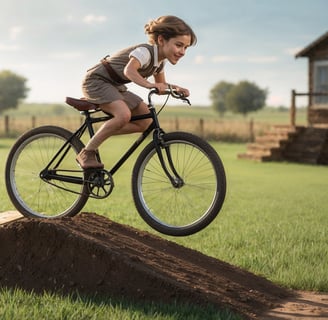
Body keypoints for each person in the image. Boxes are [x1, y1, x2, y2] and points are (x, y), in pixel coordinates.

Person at [76, 15, 197, 169]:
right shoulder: (144, 52)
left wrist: (176, 89)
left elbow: (160, 85)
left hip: (115, 86)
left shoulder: (159, 62)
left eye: (186, 47)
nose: (182, 52)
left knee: (145, 121)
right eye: (179, 45)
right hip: (96, 81)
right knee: (124, 115)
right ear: (161, 40)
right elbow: (129, 71)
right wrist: (148, 84)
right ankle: (87, 152)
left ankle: (103, 132)